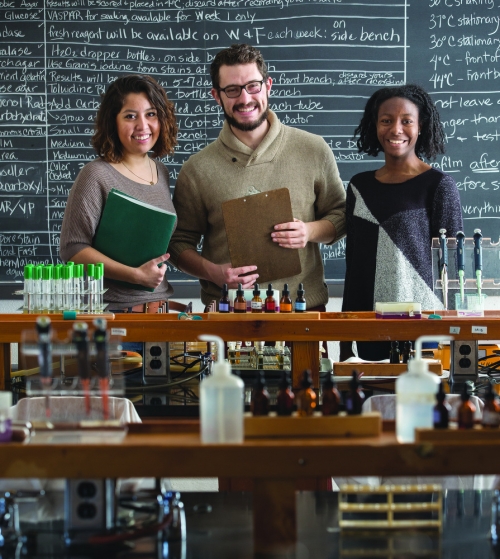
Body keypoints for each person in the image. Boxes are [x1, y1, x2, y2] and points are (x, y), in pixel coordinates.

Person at [168, 44, 346, 311]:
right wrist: (214, 273)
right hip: (229, 315)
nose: (245, 98)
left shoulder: (313, 149)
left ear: (268, 85)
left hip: (302, 312)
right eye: (232, 90)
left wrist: (309, 231)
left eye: (253, 85)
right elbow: (179, 242)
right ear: (216, 96)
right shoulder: (197, 169)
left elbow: (341, 215)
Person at [340, 84, 463, 361]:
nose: (396, 129)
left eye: (407, 121)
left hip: (426, 329)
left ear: (421, 127)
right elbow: (354, 266)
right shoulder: (359, 186)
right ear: (375, 126)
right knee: (373, 404)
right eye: (386, 120)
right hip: (370, 326)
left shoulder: (439, 185)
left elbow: (454, 270)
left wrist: (457, 336)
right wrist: (346, 341)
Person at [60, 74, 178, 313]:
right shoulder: (96, 175)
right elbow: (73, 249)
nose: (142, 126)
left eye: (151, 114)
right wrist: (135, 275)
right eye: (130, 116)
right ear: (112, 122)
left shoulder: (161, 172)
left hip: (160, 312)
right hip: (114, 317)